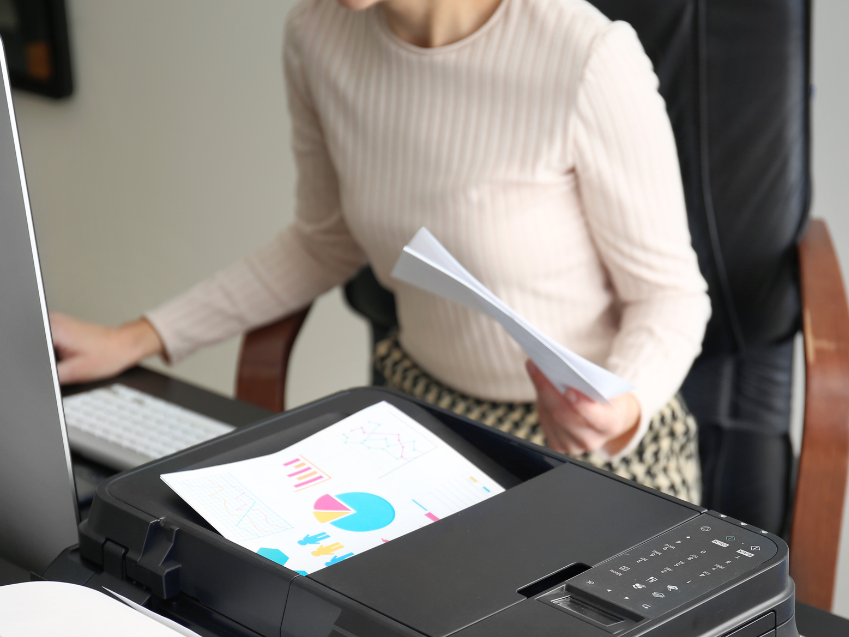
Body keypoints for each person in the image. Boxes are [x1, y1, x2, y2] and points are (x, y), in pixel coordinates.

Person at [51, 0, 711, 502]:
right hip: (421, 416)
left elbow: (671, 297)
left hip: (594, 447)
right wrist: (138, 336)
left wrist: (618, 410)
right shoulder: (318, 37)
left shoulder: (585, 55)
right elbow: (325, 239)